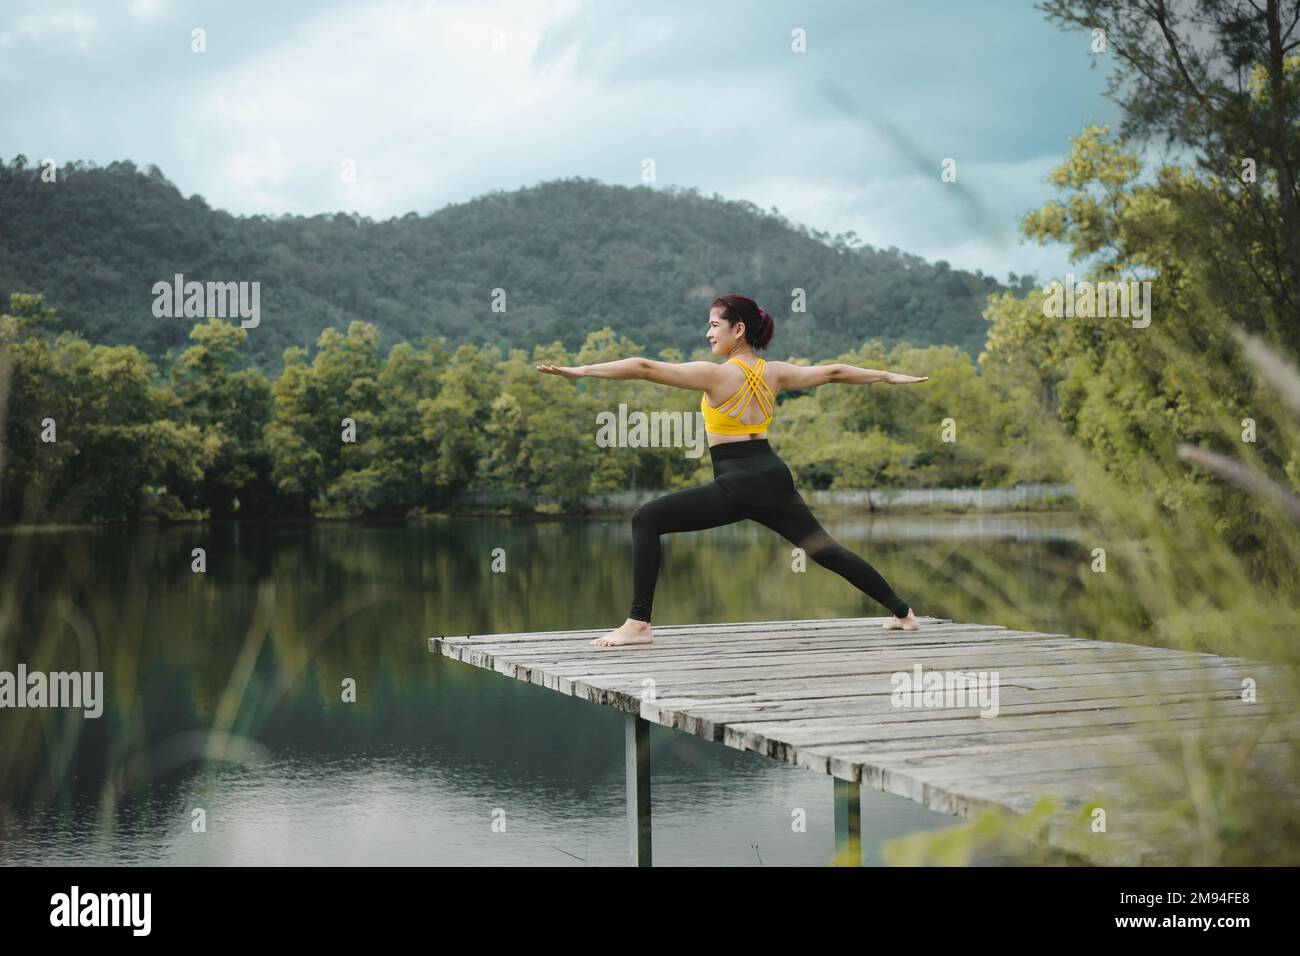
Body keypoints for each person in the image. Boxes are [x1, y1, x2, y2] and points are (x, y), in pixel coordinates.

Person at [537, 293, 928, 647]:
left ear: (738, 329)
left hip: (739, 482)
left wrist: (582, 370)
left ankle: (638, 624)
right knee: (826, 551)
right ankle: (903, 613)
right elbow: (836, 372)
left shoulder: (716, 374)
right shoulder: (776, 372)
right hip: (773, 477)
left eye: (713, 325)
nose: (708, 333)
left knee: (646, 519)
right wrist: (885, 375)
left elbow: (642, 367)